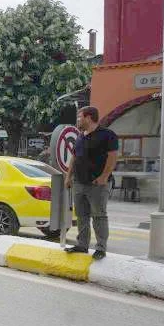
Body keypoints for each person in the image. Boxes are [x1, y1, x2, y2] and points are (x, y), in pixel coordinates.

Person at [64, 106, 118, 260]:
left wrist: (104, 176)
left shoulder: (107, 135)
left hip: (97, 183)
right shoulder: (80, 136)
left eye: (79, 117)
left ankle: (101, 248)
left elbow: (112, 157)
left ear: (89, 117)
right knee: (82, 216)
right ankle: (82, 245)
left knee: (99, 215)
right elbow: (74, 158)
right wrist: (69, 177)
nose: (77, 121)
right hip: (79, 182)